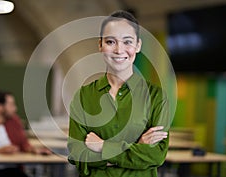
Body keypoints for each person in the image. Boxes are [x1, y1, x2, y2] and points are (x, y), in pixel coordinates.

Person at [68, 10, 169, 177]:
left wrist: (102, 147)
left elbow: (156, 155)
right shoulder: (83, 96)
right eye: (110, 41)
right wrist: (137, 147)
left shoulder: (156, 97)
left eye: (127, 42)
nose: (119, 50)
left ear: (138, 45)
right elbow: (78, 155)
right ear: (100, 45)